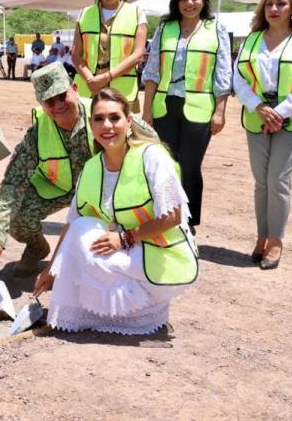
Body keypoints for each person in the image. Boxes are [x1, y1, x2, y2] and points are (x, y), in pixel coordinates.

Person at [33, 88, 198, 334]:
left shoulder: (152, 156)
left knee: (83, 240)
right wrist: (49, 270)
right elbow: (72, 223)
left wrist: (124, 238)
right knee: (79, 231)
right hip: (128, 250)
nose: (106, 125)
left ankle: (139, 313)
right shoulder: (91, 168)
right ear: (91, 124)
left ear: (128, 121)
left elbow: (173, 216)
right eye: (99, 119)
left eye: (114, 118)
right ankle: (97, 315)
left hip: (161, 256)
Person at [0, 63, 157, 276]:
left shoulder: (103, 112)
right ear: (41, 104)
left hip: (102, 194)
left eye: (62, 96)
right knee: (17, 218)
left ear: (74, 88)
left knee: (100, 249)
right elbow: (12, 183)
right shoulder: (37, 132)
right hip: (56, 189)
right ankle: (37, 247)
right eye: (49, 101)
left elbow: (151, 141)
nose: (58, 105)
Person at [232, 0, 292, 270]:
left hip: (291, 120)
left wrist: (279, 113)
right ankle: (261, 237)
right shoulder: (251, 40)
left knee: (278, 181)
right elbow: (239, 78)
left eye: (281, 4)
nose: (274, 9)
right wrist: (259, 107)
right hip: (257, 117)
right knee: (261, 182)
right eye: (269, 3)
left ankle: (276, 240)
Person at [142, 0, 232, 235]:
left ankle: (188, 222)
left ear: (203, 0)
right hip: (164, 106)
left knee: (191, 166)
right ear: (176, 2)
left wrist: (220, 111)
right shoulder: (165, 27)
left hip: (200, 106)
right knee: (166, 164)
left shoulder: (216, 29)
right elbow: (152, 71)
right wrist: (147, 111)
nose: (189, 3)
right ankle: (166, 216)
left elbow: (222, 74)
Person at [71, 0, 147, 110]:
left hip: (121, 91)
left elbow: (138, 55)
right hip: (87, 89)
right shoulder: (84, 14)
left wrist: (107, 77)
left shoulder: (137, 13)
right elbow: (75, 54)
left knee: (117, 131)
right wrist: (91, 80)